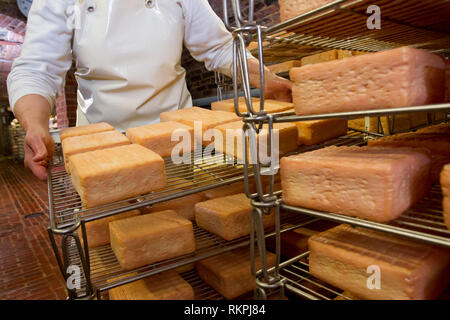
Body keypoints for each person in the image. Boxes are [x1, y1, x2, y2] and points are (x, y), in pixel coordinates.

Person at [8, 0, 292, 180]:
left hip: (175, 137)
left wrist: (266, 79)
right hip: (103, 143)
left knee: (177, 223)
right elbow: (37, 68)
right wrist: (34, 125)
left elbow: (218, 47)